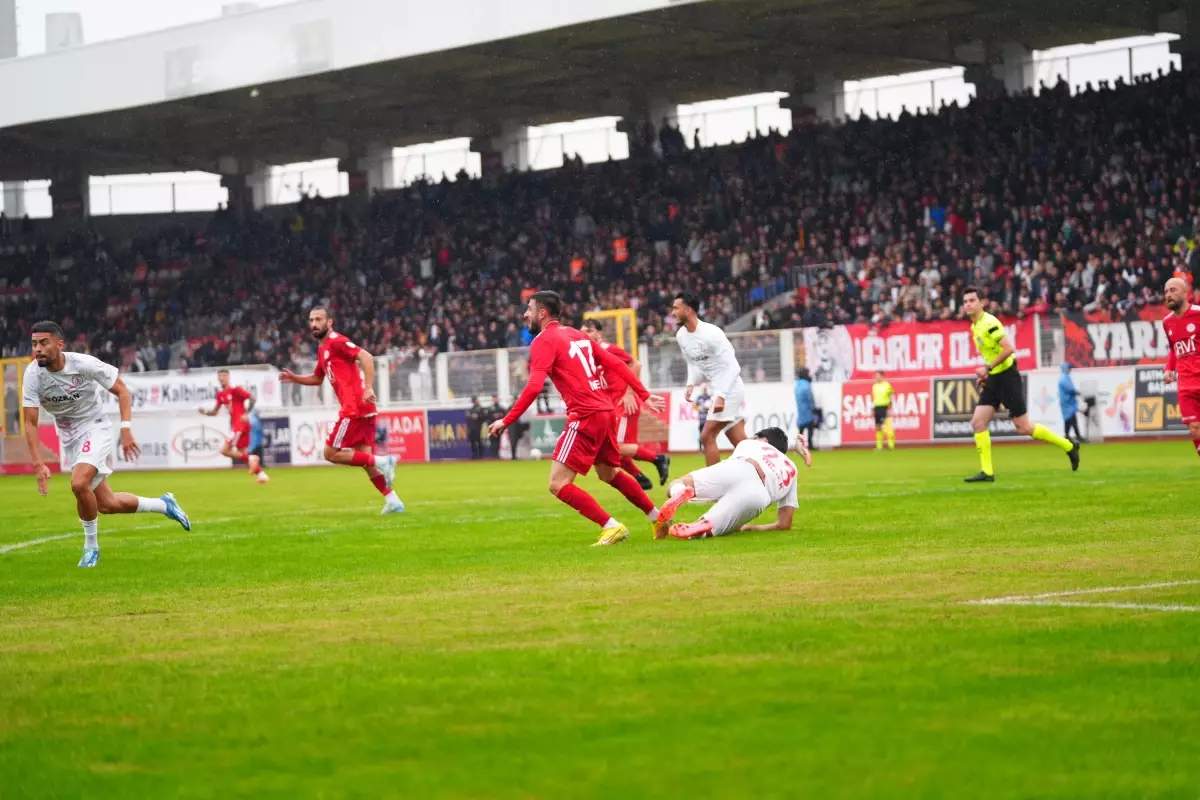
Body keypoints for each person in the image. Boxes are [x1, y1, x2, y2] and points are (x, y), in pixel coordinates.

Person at [488, 291, 665, 546]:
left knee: (558, 484)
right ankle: (658, 518)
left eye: (529, 309)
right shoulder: (576, 334)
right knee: (608, 473)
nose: (525, 314)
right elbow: (616, 364)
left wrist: (506, 420)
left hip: (585, 415)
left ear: (542, 313)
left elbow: (534, 386)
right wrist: (643, 394)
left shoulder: (542, 341)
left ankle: (611, 527)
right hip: (605, 411)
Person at [21, 321, 191, 568]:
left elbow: (122, 390)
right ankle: (164, 504)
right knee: (107, 504)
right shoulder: (33, 375)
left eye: (44, 343)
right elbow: (29, 422)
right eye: (34, 343)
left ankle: (91, 548)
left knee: (79, 483)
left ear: (59, 344)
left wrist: (126, 428)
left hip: (95, 427)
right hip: (69, 437)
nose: (38, 349)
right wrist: (38, 464)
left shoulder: (83, 364)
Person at [280, 306, 402, 513]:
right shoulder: (322, 349)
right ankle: (393, 500)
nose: (314, 324)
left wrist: (368, 387)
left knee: (330, 453)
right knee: (364, 460)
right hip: (364, 408)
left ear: (329, 322)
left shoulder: (336, 341)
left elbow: (366, 356)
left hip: (354, 407)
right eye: (311, 320)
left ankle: (385, 461)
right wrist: (295, 378)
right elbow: (317, 378)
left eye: (319, 319)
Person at [961, 286, 1079, 482]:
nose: (968, 304)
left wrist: (987, 368)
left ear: (982, 303)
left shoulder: (989, 322)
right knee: (978, 423)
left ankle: (1069, 445)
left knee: (1024, 427)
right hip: (995, 377)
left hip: (1007, 377)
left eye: (972, 300)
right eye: (965, 302)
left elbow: (1009, 349)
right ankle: (987, 472)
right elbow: (993, 352)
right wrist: (988, 374)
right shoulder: (975, 326)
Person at [652, 427, 803, 540]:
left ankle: (679, 492)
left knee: (680, 483)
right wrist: (749, 528)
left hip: (740, 466)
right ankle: (701, 527)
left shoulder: (749, 443)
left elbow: (727, 483)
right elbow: (784, 524)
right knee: (710, 528)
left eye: (755, 436)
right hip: (760, 495)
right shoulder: (792, 468)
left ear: (764, 440)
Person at [581, 319, 670, 489]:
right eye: (582, 331)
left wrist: (629, 392)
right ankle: (641, 478)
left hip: (623, 403)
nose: (585, 334)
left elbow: (636, 364)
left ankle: (658, 459)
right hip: (612, 405)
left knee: (614, 447)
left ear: (599, 333)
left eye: (589, 330)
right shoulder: (590, 355)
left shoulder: (607, 348)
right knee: (613, 450)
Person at [672, 291, 747, 465]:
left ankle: (712, 480)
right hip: (718, 391)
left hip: (730, 390)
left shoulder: (712, 333)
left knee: (706, 436)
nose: (673, 312)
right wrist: (690, 383)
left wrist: (721, 396)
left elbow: (733, 367)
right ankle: (773, 464)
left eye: (676, 308)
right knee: (742, 444)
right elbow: (692, 363)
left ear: (688, 310)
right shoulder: (681, 336)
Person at [199, 368, 264, 480]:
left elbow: (252, 398)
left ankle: (252, 458)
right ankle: (261, 475)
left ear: (228, 377)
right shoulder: (220, 394)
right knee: (242, 453)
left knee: (224, 450)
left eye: (224, 376)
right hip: (237, 425)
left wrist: (246, 413)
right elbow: (215, 412)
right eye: (220, 376)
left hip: (240, 424)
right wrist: (205, 412)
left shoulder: (235, 390)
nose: (222, 378)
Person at [1161, 277, 1200, 459]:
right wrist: (1169, 368)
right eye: (1166, 291)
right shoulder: (1167, 322)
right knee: (1194, 429)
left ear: (1185, 293)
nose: (1168, 294)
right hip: (1185, 385)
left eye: (1173, 290)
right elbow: (1173, 348)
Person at [1058, 362, 1082, 442]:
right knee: (1073, 420)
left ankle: (1067, 436)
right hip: (1067, 403)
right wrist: (1077, 392)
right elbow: (1070, 389)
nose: (1070, 370)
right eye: (1069, 368)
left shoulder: (1066, 377)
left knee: (1068, 420)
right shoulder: (1064, 378)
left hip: (1068, 402)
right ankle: (1078, 436)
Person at [794, 367, 816, 451]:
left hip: (800, 408)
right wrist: (813, 407)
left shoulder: (797, 384)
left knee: (801, 428)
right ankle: (810, 444)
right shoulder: (806, 384)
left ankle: (799, 446)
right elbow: (809, 397)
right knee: (810, 426)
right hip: (807, 409)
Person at [872, 370, 896, 451]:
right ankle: (879, 446)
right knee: (878, 427)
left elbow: (891, 395)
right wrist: (873, 408)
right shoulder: (874, 386)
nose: (876, 377)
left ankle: (891, 445)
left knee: (886, 427)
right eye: (876, 376)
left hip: (884, 407)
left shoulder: (887, 385)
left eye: (878, 376)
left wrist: (890, 406)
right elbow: (875, 398)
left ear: (882, 376)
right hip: (877, 407)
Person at [245, 406, 270, 484]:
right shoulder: (253, 420)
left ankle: (258, 465)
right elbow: (255, 428)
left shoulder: (254, 419)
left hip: (257, 439)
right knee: (255, 453)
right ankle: (254, 466)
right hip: (254, 438)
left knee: (258, 452)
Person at [487, 395, 506, 459]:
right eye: (494, 398)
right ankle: (493, 455)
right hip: (492, 427)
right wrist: (490, 426)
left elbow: (504, 418)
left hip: (499, 428)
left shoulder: (501, 408)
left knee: (498, 441)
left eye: (496, 398)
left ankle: (497, 455)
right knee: (492, 441)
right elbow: (487, 418)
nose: (495, 400)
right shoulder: (490, 408)